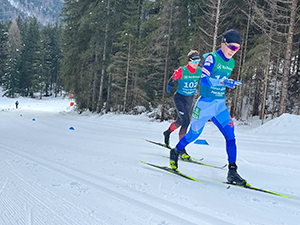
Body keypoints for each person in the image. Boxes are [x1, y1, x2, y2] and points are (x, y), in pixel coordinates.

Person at [169, 29, 247, 185]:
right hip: (205, 105)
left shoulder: (231, 62)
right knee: (193, 135)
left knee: (231, 137)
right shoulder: (212, 58)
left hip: (219, 105)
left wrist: (226, 82)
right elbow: (204, 80)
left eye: (237, 48)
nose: (234, 51)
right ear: (223, 43)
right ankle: (176, 151)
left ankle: (232, 171)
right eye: (232, 47)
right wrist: (223, 82)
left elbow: (221, 78)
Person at [163, 50, 202, 160]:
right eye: (194, 61)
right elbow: (172, 80)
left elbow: (207, 79)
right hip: (179, 98)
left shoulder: (199, 71)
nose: (196, 63)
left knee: (180, 121)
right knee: (186, 121)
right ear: (189, 61)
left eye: (198, 60)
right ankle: (181, 149)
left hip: (189, 99)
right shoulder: (182, 70)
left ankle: (167, 132)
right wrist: (170, 85)